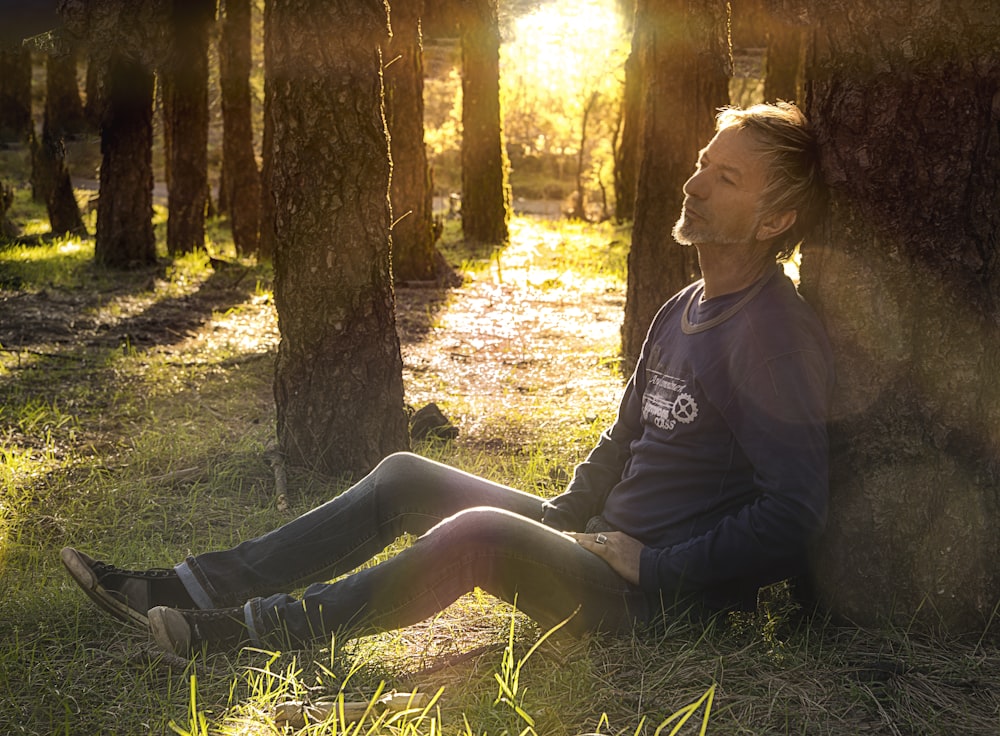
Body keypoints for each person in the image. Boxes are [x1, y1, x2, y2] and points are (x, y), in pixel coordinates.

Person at [62, 101, 833, 657]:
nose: (695, 184)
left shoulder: (773, 336)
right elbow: (624, 435)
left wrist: (656, 565)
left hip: (654, 600)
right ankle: (186, 588)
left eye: (725, 178)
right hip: (598, 549)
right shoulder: (683, 306)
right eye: (703, 163)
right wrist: (563, 518)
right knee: (404, 475)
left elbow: (795, 511)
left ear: (773, 221)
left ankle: (253, 633)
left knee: (477, 532)